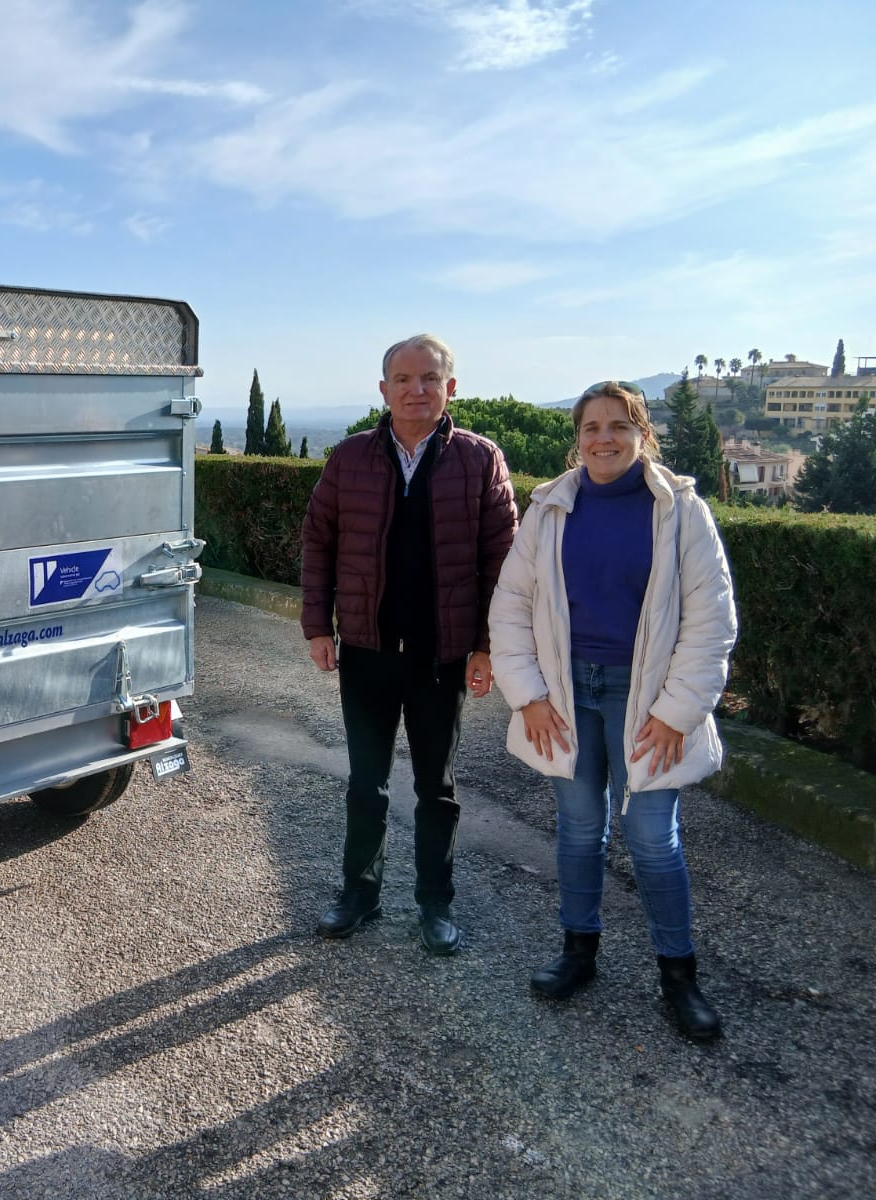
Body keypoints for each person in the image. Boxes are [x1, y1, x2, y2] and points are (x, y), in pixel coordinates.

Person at [487, 381, 737, 1041]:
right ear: (578, 438)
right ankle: (579, 952)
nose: (604, 438)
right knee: (578, 828)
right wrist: (529, 695)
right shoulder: (550, 508)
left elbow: (711, 621)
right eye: (591, 427)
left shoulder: (681, 511)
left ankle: (678, 976)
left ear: (642, 435)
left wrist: (677, 712)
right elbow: (511, 606)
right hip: (567, 693)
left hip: (648, 698)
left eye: (619, 426)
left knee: (652, 836)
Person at [301, 334, 516, 954]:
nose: (415, 390)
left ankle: (435, 903)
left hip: (440, 656)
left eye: (429, 378)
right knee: (365, 782)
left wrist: (486, 646)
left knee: (436, 789)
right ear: (383, 389)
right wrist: (318, 627)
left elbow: (503, 561)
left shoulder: (480, 459)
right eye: (402, 379)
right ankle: (359, 894)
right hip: (366, 650)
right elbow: (318, 541)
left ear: (451, 388)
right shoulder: (350, 457)